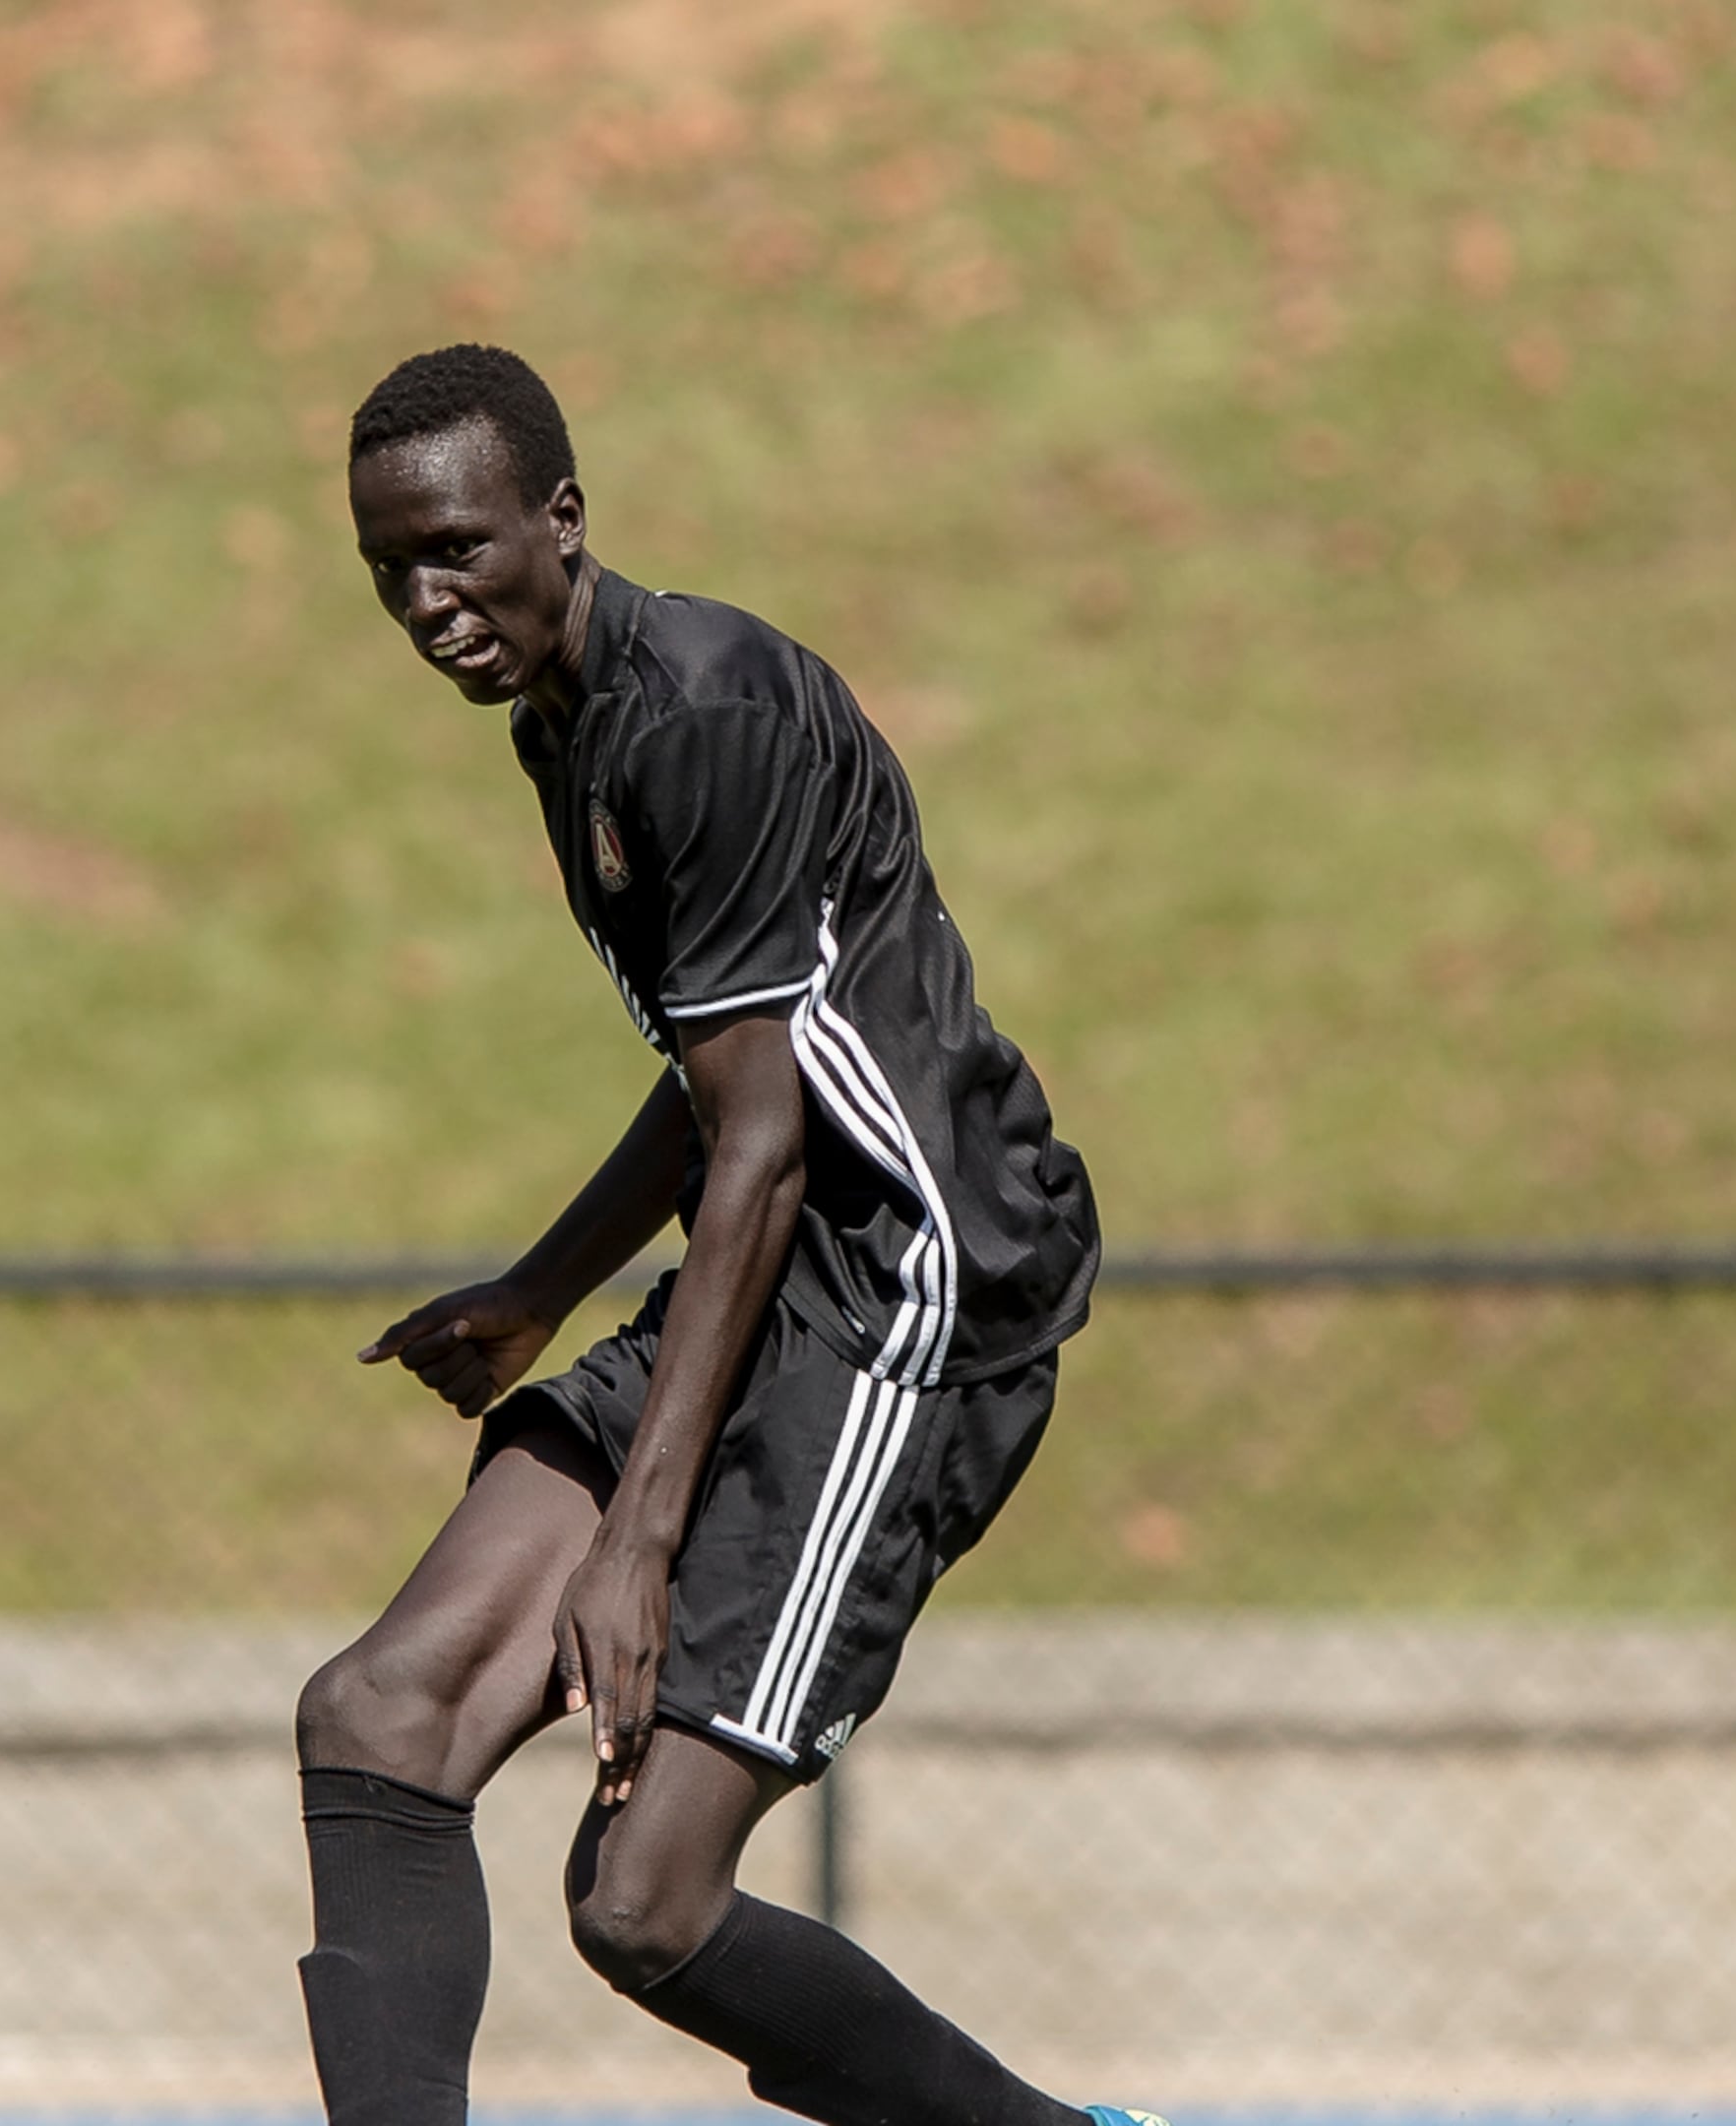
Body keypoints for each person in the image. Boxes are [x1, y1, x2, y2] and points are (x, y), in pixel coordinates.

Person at [298, 343, 1141, 2126]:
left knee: (644, 1905)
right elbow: (723, 1082)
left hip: (909, 1294)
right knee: (380, 1714)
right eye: (390, 569)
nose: (428, 603)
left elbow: (763, 1139)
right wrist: (539, 1292)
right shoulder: (565, 721)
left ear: (562, 518)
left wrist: (638, 1538)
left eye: (455, 550)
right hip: (772, 1264)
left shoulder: (704, 718)